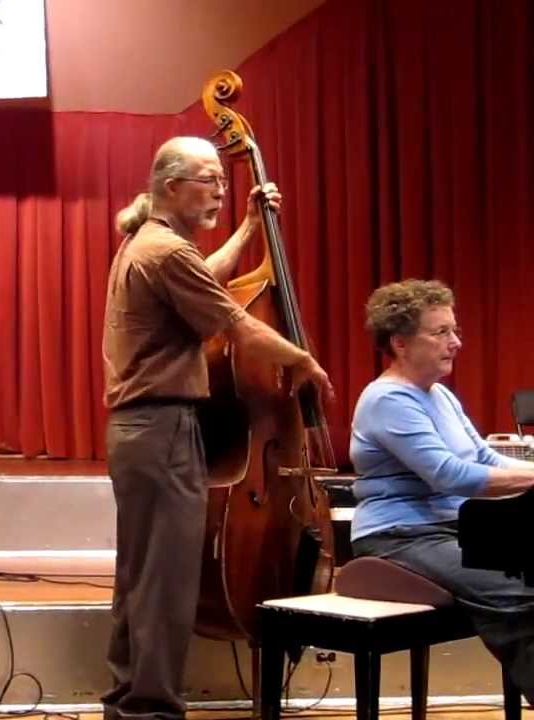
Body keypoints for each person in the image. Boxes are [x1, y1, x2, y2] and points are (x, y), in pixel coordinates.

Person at [101, 136, 333, 720]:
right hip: (163, 430)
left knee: (140, 577)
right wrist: (302, 361)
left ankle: (127, 700)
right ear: (172, 185)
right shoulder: (165, 252)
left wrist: (250, 228)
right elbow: (237, 323)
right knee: (166, 582)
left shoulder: (147, 244)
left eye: (223, 183)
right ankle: (151, 709)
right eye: (211, 180)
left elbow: (207, 279)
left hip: (141, 433)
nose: (221, 193)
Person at [350, 279, 534, 700]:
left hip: (451, 528)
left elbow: (484, 460)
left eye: (455, 331)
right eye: (440, 333)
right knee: (517, 589)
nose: (455, 343)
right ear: (399, 342)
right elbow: (450, 475)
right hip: (398, 537)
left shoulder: (441, 397)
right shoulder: (388, 400)